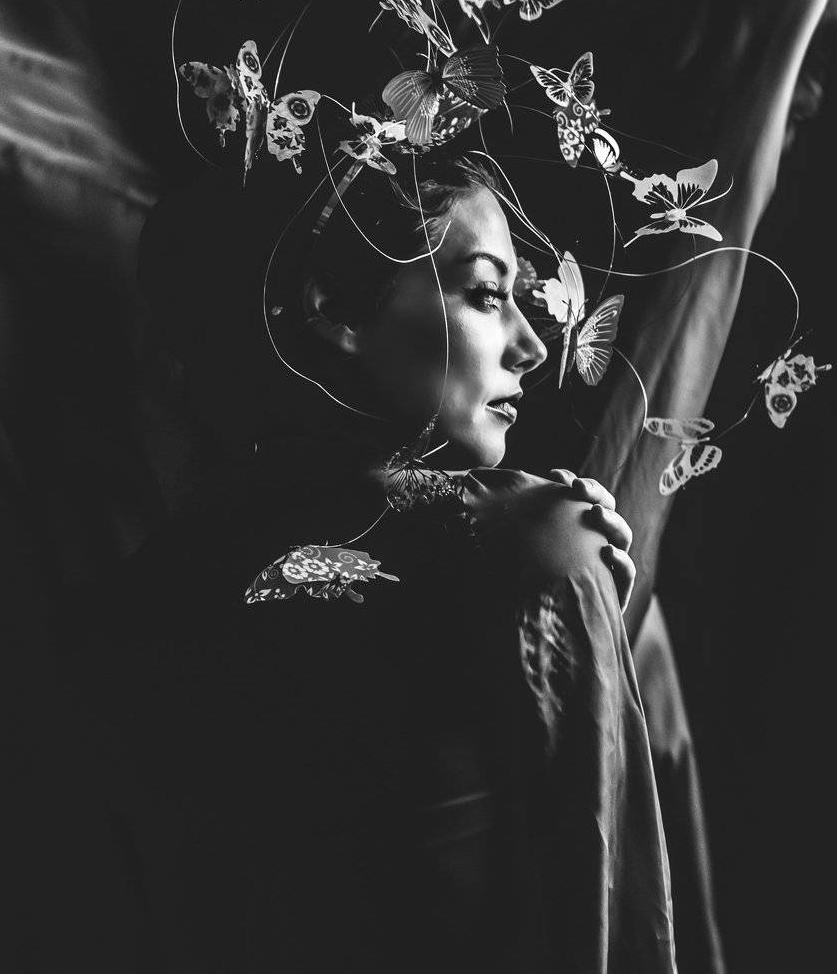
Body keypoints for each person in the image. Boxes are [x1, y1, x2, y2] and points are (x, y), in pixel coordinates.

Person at [61, 154, 678, 973]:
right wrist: (572, 588)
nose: (531, 345)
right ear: (335, 309)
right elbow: (609, 921)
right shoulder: (521, 541)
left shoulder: (123, 607)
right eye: (486, 294)